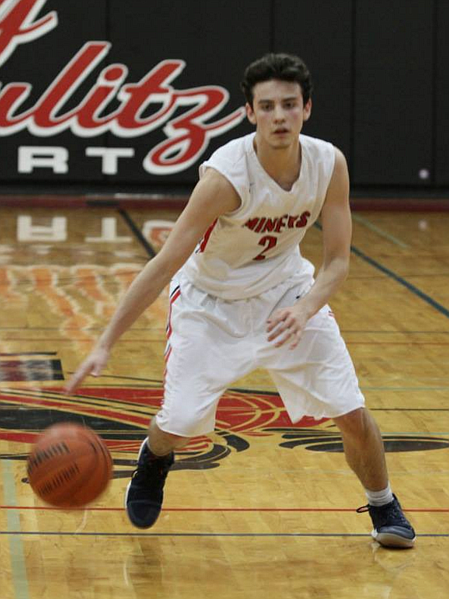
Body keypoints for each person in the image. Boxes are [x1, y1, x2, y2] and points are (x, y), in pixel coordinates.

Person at [66, 53, 415, 548]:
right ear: (250, 113)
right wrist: (105, 343)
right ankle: (155, 457)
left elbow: (337, 261)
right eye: (267, 106)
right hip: (211, 304)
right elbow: (164, 263)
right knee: (181, 421)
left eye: (289, 105)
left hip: (288, 296)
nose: (279, 116)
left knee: (350, 408)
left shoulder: (328, 164)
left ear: (306, 109)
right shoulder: (226, 179)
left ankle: (383, 504)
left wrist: (305, 307)